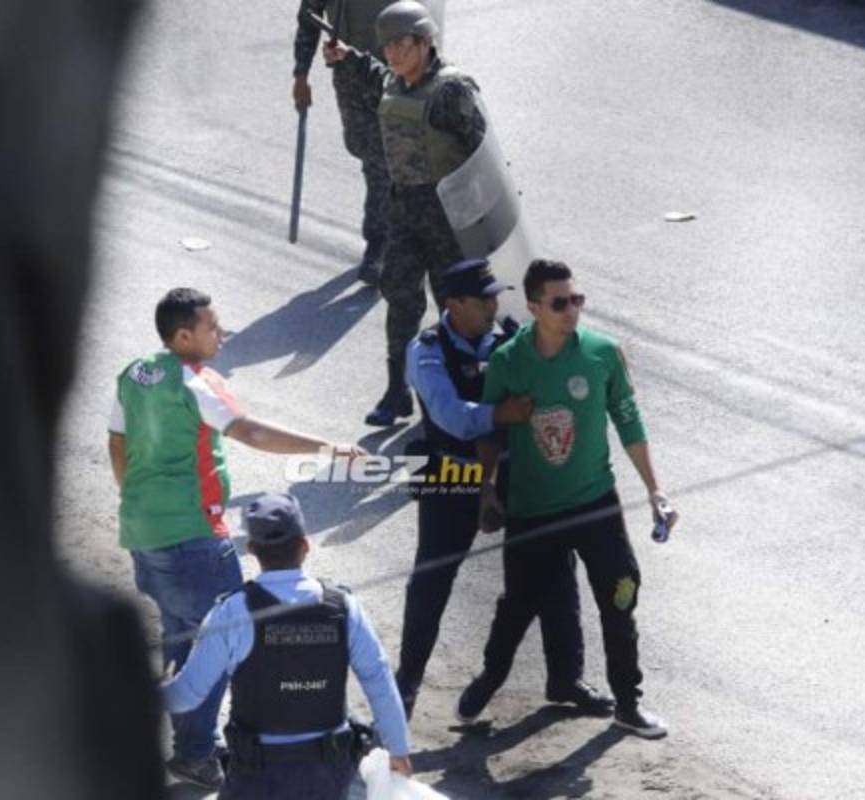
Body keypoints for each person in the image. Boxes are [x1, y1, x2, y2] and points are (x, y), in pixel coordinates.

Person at [109, 287, 364, 788]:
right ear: (183, 335)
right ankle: (192, 746)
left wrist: (140, 499)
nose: (221, 334)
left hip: (144, 533)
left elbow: (118, 443)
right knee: (221, 650)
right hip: (196, 539)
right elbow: (253, 434)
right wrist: (328, 446)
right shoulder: (198, 381)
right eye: (211, 327)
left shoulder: (136, 373)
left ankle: (193, 747)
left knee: (185, 637)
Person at [458, 260, 681, 739]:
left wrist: (654, 490)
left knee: (620, 598)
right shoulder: (509, 361)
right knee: (519, 603)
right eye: (559, 303)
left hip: (595, 502)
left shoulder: (603, 353)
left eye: (576, 299)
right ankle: (492, 676)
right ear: (534, 307)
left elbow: (628, 421)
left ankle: (628, 704)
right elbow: (491, 432)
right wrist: (487, 491)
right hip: (534, 510)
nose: (571, 310)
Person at [394, 259, 614, 720]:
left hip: (518, 473)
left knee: (555, 569)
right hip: (453, 475)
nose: (495, 305)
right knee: (433, 580)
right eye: (484, 299)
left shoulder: (510, 338)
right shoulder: (428, 350)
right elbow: (450, 414)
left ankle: (565, 677)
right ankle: (406, 684)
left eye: (496, 296)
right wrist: (501, 414)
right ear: (454, 304)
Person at [162, 493, 412, 799]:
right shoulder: (344, 607)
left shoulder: (231, 613)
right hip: (327, 775)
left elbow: (186, 697)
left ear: (251, 549)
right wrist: (398, 748)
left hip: (256, 775)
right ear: (305, 545)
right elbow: (379, 679)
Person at [323, 0, 489, 427]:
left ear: (425, 42)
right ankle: (397, 392)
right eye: (387, 46)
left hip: (447, 218)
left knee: (453, 306)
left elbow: (482, 153)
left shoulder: (452, 90)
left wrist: (478, 220)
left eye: (401, 44)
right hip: (403, 214)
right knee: (399, 300)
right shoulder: (395, 82)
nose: (393, 53)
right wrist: (350, 57)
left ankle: (454, 393)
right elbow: (379, 77)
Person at [292, 0, 394, 284]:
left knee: (379, 166)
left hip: (389, 77)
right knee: (364, 151)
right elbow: (309, 20)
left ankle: (378, 248)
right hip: (348, 78)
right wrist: (301, 75)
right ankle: (392, 217)